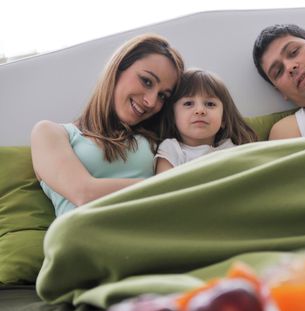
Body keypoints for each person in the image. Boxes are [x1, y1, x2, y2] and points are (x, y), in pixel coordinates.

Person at [31, 34, 185, 216]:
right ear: (117, 69)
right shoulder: (50, 133)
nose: (151, 102)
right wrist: (169, 187)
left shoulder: (158, 141)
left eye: (162, 96)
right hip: (82, 237)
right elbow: (83, 193)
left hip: (148, 236)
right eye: (146, 81)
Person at [155, 69, 258, 173]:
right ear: (173, 117)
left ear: (224, 119)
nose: (200, 111)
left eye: (210, 104)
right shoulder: (171, 150)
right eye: (188, 103)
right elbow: (165, 187)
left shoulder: (231, 149)